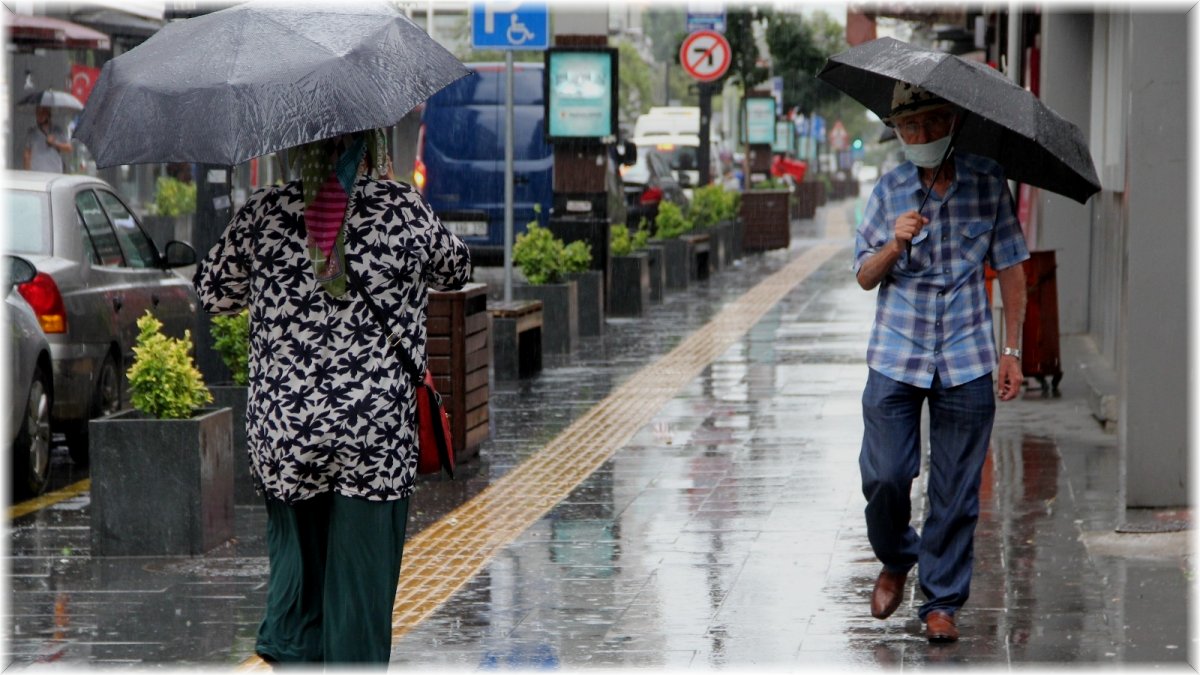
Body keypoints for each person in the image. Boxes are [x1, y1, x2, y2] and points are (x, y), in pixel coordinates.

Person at [194, 129, 471, 665]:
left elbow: (212, 293)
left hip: (289, 430)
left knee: (299, 582)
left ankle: (298, 651)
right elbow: (455, 268)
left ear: (297, 148)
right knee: (360, 595)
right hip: (374, 434)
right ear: (370, 144)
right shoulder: (401, 209)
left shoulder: (265, 211)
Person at [852, 83, 1029, 643]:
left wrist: (1012, 350)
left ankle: (941, 602)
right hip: (896, 354)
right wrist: (894, 245)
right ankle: (896, 556)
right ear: (897, 132)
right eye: (909, 126)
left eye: (931, 122)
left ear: (952, 121)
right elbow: (864, 275)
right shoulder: (889, 191)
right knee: (885, 476)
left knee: (956, 489)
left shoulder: (988, 183)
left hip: (966, 355)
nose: (921, 134)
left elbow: (1012, 267)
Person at [23, 105, 72, 173]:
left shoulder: (57, 131)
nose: (40, 116)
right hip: (36, 172)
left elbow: (69, 148)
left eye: (43, 112)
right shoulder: (32, 132)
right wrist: (27, 172)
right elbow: (27, 153)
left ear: (48, 114)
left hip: (54, 171)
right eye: (38, 113)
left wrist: (54, 143)